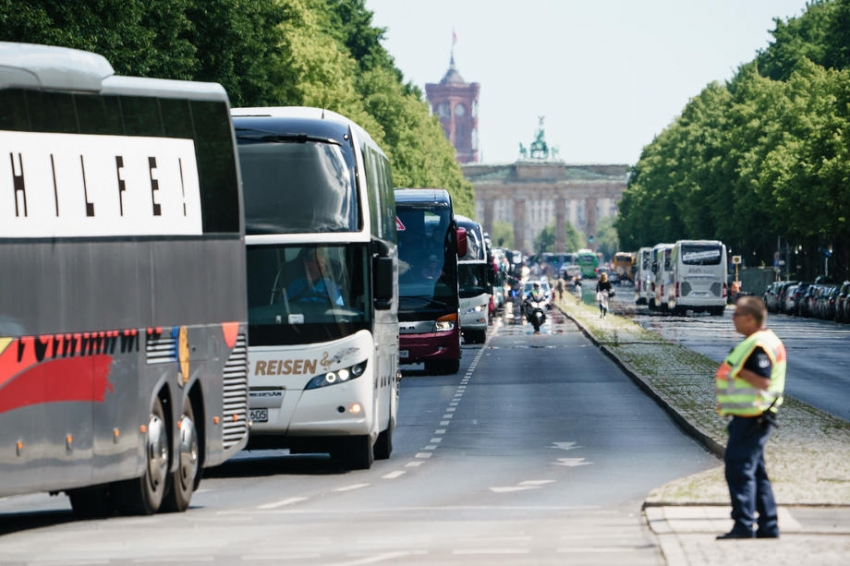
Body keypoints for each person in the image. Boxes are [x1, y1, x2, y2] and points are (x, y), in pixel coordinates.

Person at [715, 296, 786, 540]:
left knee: (738, 469)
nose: (732, 320)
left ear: (749, 318)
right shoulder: (763, 340)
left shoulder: (758, 345)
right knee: (756, 472)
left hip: (753, 415)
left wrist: (737, 370)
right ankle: (768, 525)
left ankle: (744, 524)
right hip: (753, 415)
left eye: (735, 315)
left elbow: (763, 380)